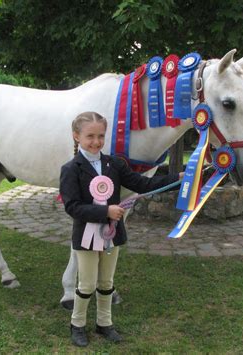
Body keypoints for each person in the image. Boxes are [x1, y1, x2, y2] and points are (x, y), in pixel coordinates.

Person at [59, 111, 183, 347]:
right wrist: (105, 212)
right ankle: (77, 324)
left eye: (101, 136)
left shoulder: (114, 164)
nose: (96, 142)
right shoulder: (71, 169)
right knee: (86, 284)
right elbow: (72, 207)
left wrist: (177, 178)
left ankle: (104, 324)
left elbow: (143, 184)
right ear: (76, 136)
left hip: (110, 234)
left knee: (106, 282)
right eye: (90, 136)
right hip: (85, 236)